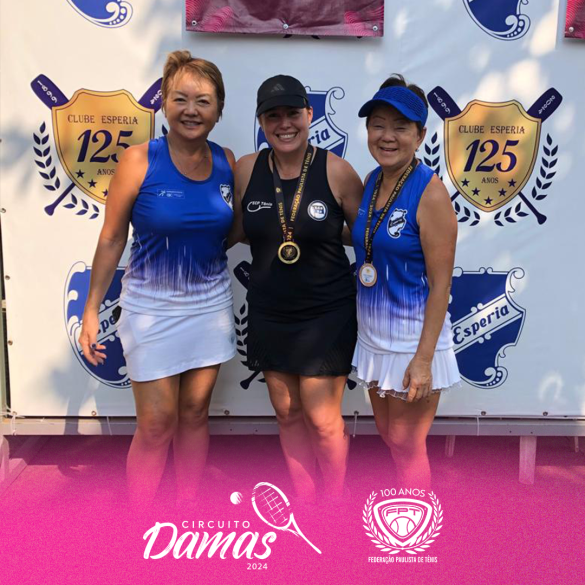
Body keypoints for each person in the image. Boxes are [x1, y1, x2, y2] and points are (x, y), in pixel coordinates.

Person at [78, 50, 236, 507]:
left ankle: (186, 511)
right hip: (150, 312)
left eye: (203, 101)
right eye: (181, 99)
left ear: (219, 109)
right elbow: (112, 239)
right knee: (156, 424)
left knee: (195, 413)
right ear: (164, 103)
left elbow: (232, 230)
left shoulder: (227, 161)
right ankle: (140, 524)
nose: (191, 110)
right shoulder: (138, 160)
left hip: (210, 309)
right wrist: (91, 309)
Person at [229, 75, 363, 503]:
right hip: (269, 311)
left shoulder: (337, 171)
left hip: (326, 313)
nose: (283, 124)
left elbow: (367, 236)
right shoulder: (246, 169)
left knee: (322, 420)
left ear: (309, 114)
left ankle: (335, 504)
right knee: (287, 413)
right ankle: (305, 505)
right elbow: (236, 230)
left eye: (292, 114)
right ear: (261, 122)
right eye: (273, 116)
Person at [352, 75, 460, 489]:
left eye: (400, 127)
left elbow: (441, 286)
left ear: (420, 136)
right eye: (378, 125)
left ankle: (419, 524)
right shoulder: (371, 181)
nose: (387, 136)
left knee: (406, 443)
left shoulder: (430, 193)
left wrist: (423, 360)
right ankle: (405, 512)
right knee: (389, 437)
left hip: (412, 343)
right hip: (375, 338)